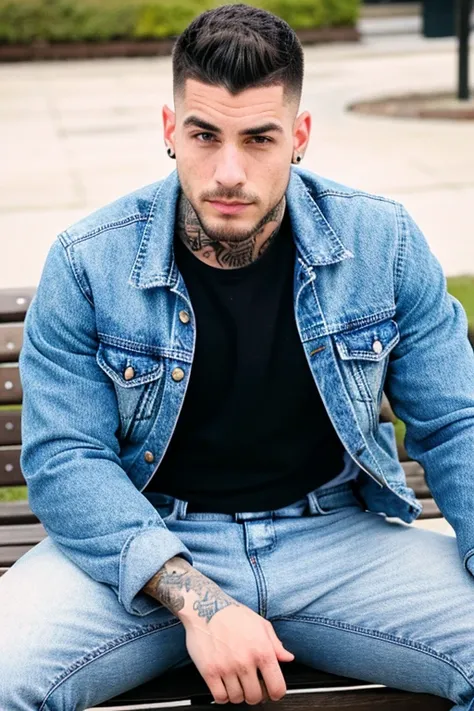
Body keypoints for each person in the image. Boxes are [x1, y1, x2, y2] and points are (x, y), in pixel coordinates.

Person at [1, 4, 474, 710]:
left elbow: (456, 423)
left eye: (259, 138)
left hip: (336, 542)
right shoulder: (87, 263)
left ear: (299, 136)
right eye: (204, 135)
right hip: (152, 544)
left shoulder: (384, 242)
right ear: (170, 130)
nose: (229, 171)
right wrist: (200, 601)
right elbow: (66, 459)